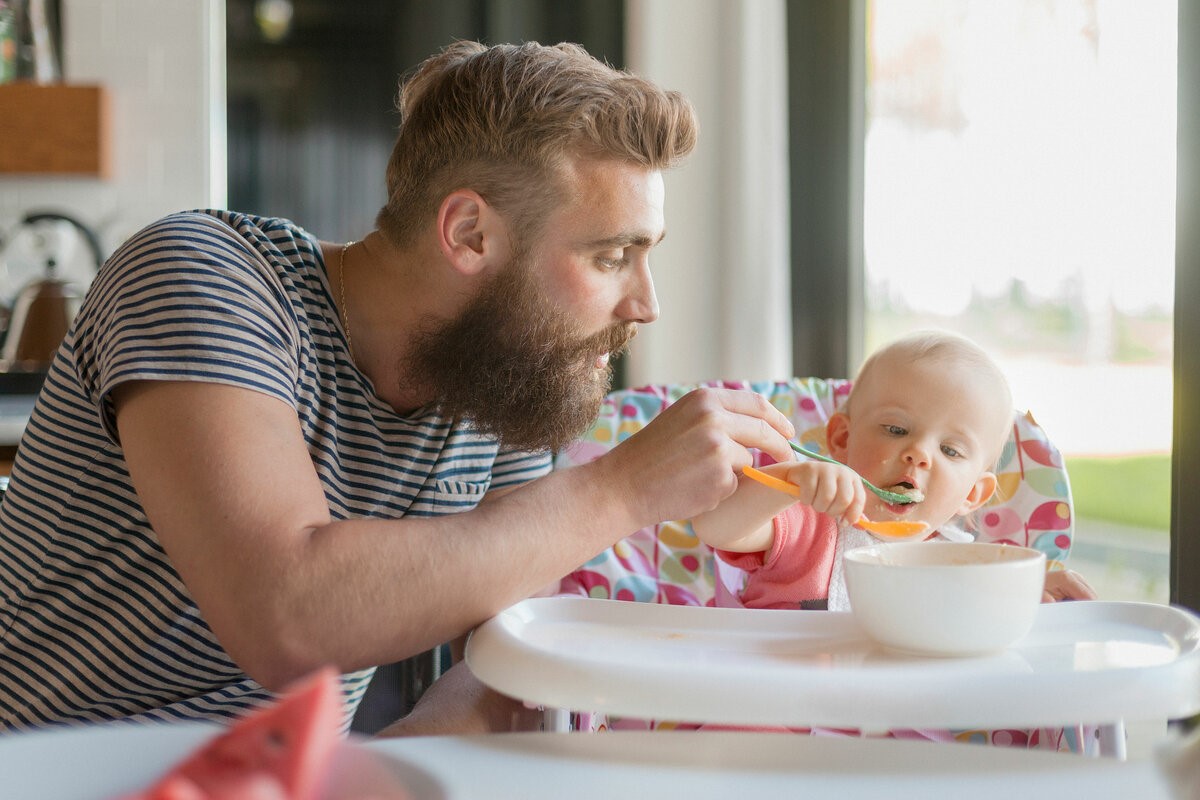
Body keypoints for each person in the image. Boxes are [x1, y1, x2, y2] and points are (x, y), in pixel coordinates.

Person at [0, 41, 801, 732]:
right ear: (470, 234)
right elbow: (288, 614)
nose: (646, 304)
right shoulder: (200, 277)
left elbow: (511, 646)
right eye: (609, 256)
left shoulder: (500, 371)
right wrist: (622, 490)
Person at [693, 330, 1096, 611]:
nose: (918, 454)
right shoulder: (808, 521)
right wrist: (790, 482)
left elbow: (993, 625)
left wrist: (1026, 591)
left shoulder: (970, 567)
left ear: (973, 494)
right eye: (896, 430)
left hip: (890, 724)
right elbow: (716, 526)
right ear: (841, 440)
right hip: (777, 707)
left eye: (951, 451)